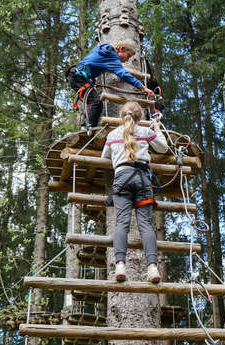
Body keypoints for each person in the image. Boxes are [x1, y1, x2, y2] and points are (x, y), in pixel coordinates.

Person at [101, 101, 168, 283]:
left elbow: (104, 156)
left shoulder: (112, 134)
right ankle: (153, 268)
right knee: (145, 225)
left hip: (122, 179)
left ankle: (120, 266)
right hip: (142, 179)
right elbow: (164, 148)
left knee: (121, 223)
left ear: (122, 117)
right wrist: (157, 129)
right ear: (141, 118)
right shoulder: (146, 132)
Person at [67, 38, 155, 131]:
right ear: (122, 48)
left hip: (77, 76)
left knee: (97, 103)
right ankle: (86, 128)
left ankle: (89, 127)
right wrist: (143, 88)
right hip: (79, 78)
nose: (127, 60)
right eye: (128, 56)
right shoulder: (111, 56)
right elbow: (123, 74)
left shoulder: (103, 49)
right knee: (94, 102)